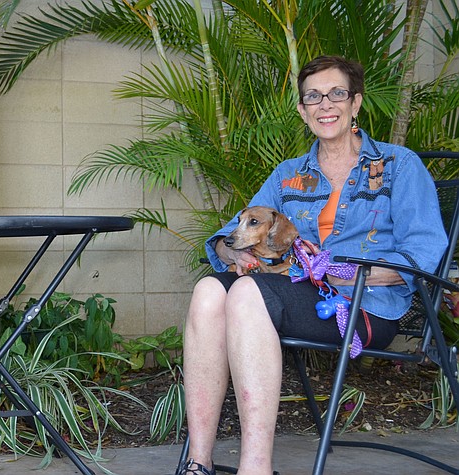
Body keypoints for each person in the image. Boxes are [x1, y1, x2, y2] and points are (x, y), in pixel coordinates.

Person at [176, 55, 447, 475]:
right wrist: (235, 253)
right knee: (209, 290)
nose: (326, 104)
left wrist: (341, 272)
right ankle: (198, 463)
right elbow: (228, 235)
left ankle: (255, 469)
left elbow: (424, 253)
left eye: (337, 93)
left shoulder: (399, 166)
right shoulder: (289, 175)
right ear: (303, 110)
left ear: (355, 103)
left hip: (366, 304)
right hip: (301, 295)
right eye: (313, 97)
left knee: (248, 294)